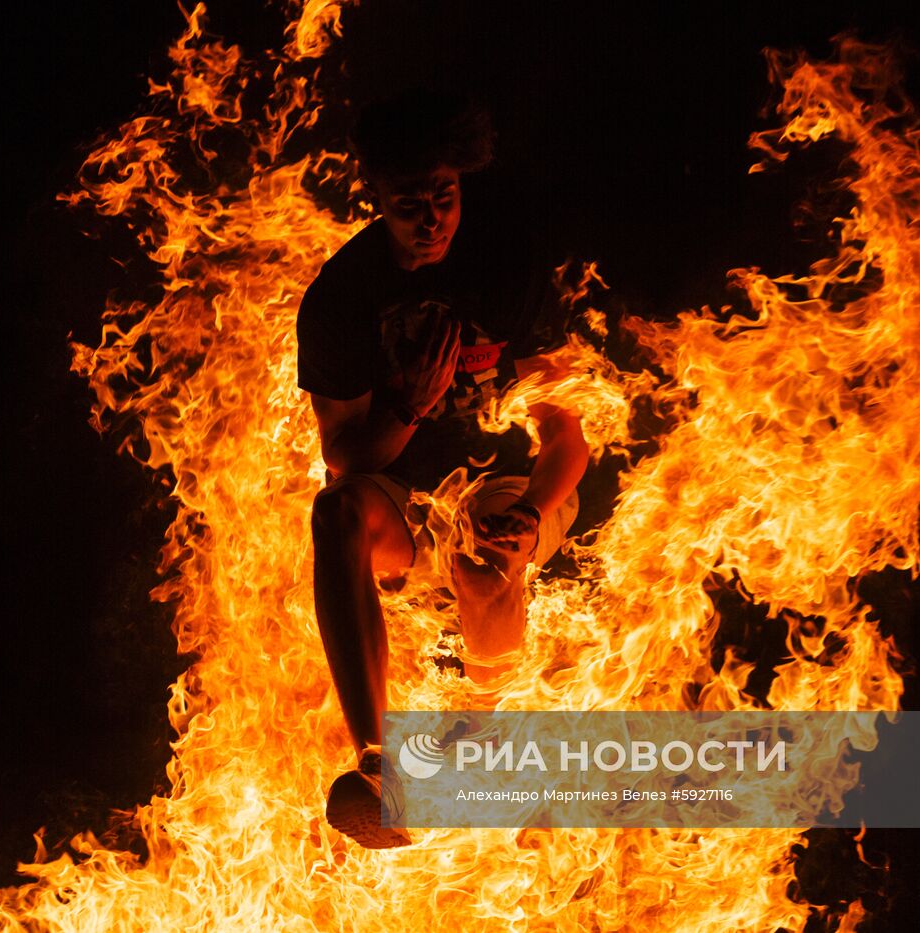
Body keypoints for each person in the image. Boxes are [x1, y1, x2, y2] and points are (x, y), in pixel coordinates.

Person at [296, 91, 588, 848]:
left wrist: (535, 508)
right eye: (408, 206)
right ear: (377, 201)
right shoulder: (341, 298)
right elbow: (344, 458)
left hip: (507, 486)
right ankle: (375, 762)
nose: (432, 221)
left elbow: (566, 433)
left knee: (485, 547)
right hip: (405, 494)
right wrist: (407, 410)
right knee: (335, 514)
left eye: (444, 199)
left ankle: (484, 743)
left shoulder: (506, 265)